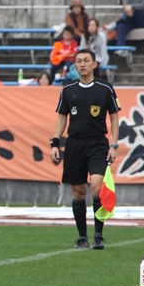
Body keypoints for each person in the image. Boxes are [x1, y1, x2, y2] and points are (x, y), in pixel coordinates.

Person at [50, 48, 121, 250]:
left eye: (86, 60)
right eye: (79, 61)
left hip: (98, 143)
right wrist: (55, 142)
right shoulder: (67, 89)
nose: (82, 64)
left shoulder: (105, 88)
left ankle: (98, 234)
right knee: (78, 193)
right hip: (74, 144)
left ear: (94, 64)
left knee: (97, 187)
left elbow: (114, 118)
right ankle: (82, 237)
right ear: (75, 65)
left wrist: (114, 144)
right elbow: (61, 118)